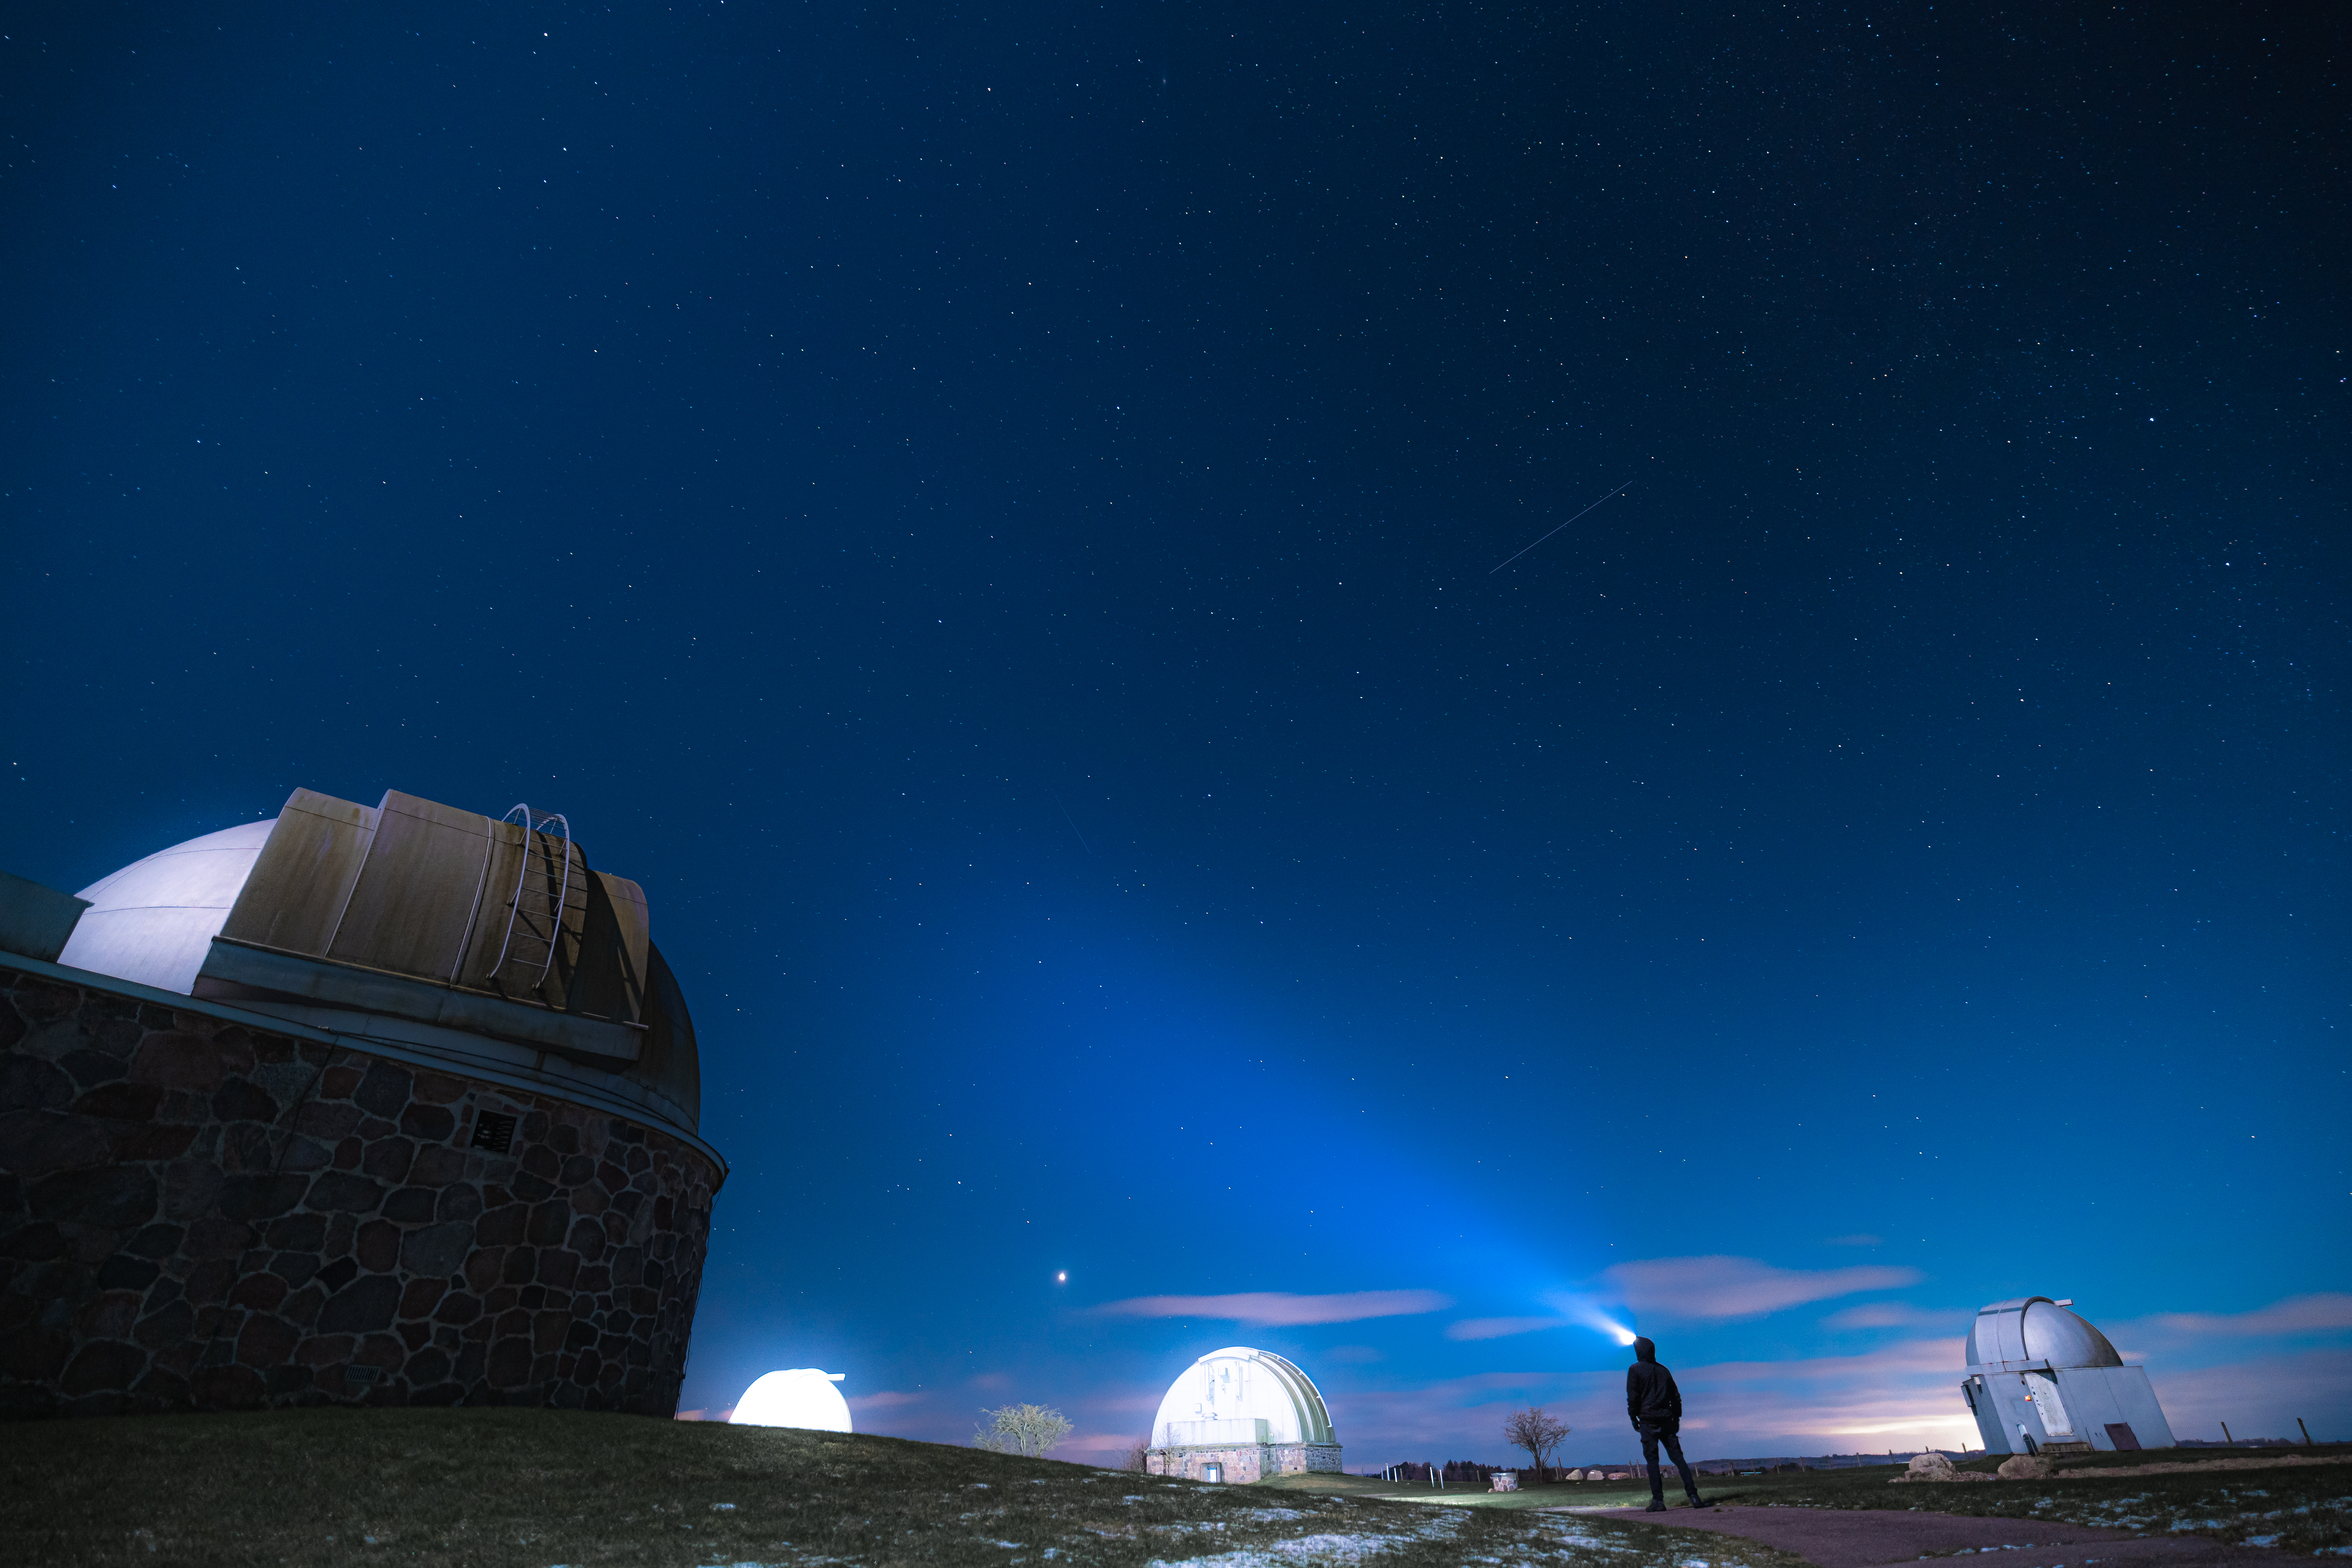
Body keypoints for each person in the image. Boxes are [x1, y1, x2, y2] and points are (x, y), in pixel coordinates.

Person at [1626, 1336, 1710, 1512]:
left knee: (1652, 1461)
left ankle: (1658, 1501)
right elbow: (1676, 1397)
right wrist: (1677, 1418)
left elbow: (1633, 1398)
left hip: (1648, 1422)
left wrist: (1634, 1418)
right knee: (1679, 1459)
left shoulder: (1635, 1370)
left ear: (1639, 1351)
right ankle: (1694, 1497)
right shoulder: (1664, 1371)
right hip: (1667, 1421)